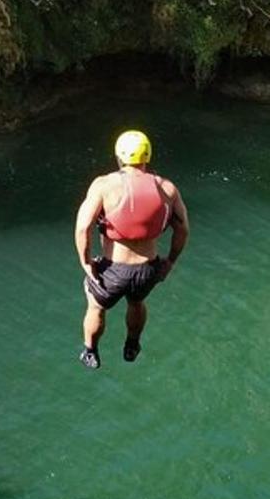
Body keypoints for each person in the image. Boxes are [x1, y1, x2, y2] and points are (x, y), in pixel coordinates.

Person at [74, 129, 189, 369]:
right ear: (147, 156)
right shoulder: (167, 188)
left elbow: (83, 228)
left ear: (119, 156)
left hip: (113, 271)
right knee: (136, 303)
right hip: (148, 270)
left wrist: (86, 262)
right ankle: (132, 345)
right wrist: (169, 262)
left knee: (96, 305)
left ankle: (90, 351)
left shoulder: (104, 185)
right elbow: (183, 230)